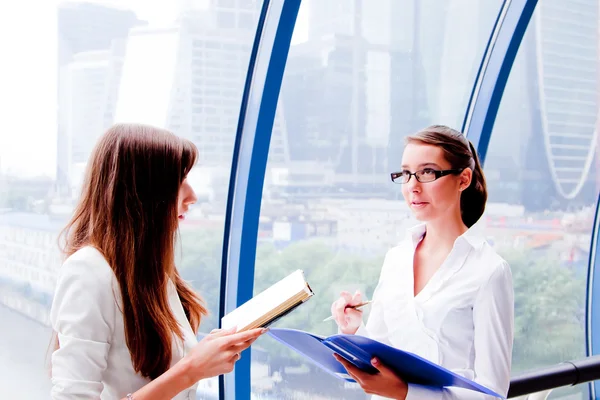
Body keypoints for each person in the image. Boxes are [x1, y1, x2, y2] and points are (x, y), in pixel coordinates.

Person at [49, 123, 266, 400]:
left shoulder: (150, 272)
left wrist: (206, 353)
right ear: (141, 191)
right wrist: (192, 369)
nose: (192, 197)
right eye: (179, 181)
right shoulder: (88, 272)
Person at [330, 125, 514, 400]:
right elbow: (383, 352)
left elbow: (492, 393)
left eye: (427, 172)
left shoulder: (489, 271)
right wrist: (354, 329)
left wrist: (407, 393)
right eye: (406, 174)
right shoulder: (396, 259)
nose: (412, 186)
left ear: (463, 179)